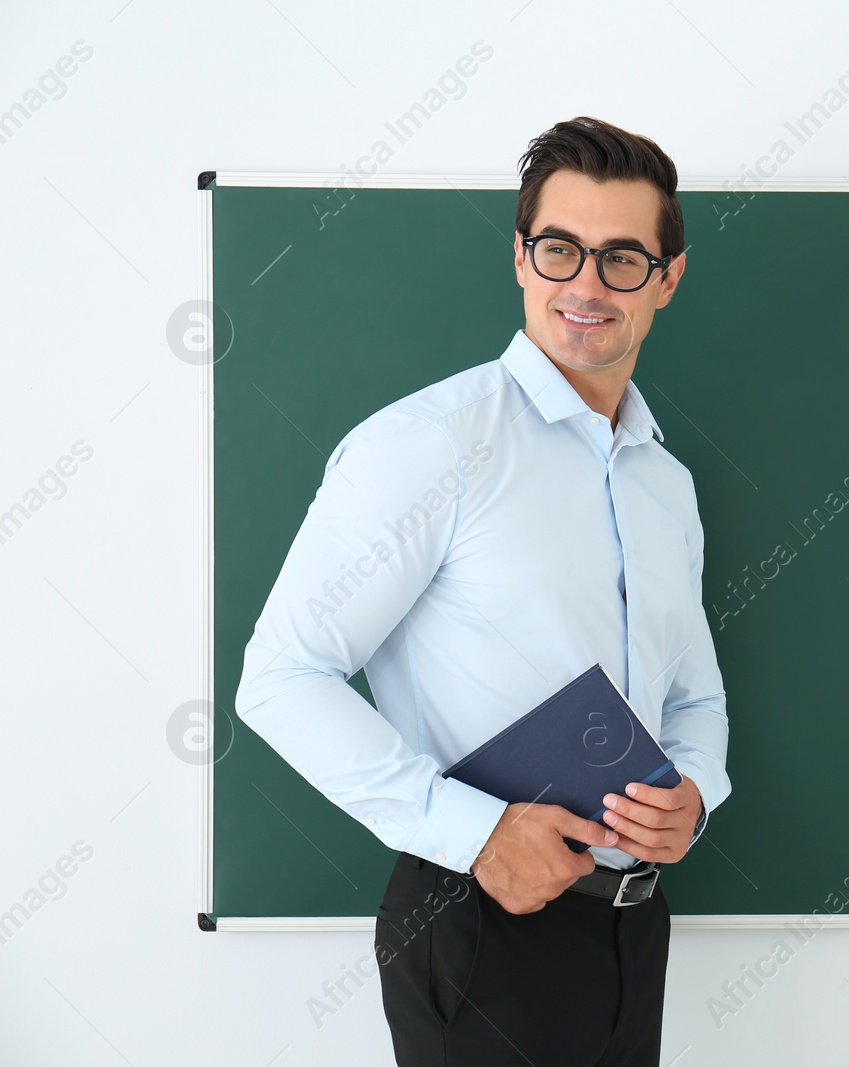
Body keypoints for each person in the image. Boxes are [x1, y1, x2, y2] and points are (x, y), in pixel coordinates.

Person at [234, 115, 731, 1066]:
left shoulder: (666, 483)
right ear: (520, 259)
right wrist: (475, 832)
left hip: (634, 927)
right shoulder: (431, 446)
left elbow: (696, 695)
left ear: (667, 279)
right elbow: (281, 675)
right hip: (478, 922)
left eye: (622, 258)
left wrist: (696, 792)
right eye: (559, 250)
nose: (585, 285)